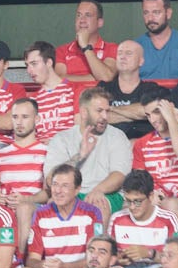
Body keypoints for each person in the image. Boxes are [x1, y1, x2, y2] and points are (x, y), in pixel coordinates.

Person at [16, 165, 104, 268]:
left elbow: (95, 259)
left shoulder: (91, 213)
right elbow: (31, 260)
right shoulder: (41, 214)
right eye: (55, 185)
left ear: (77, 190)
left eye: (65, 186)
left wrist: (64, 267)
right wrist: (43, 265)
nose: (58, 191)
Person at [42, 86, 127, 223]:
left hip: (108, 193)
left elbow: (119, 175)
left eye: (107, 111)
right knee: (54, 204)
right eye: (99, 111)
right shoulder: (61, 139)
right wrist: (80, 155)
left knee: (98, 204)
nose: (105, 117)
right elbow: (50, 180)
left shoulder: (117, 136)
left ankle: (100, 238)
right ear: (84, 112)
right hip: (72, 193)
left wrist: (98, 190)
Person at [132, 92, 178, 222]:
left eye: (157, 112)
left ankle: (176, 237)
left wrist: (171, 119)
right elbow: (139, 180)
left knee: (169, 204)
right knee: (130, 206)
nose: (153, 120)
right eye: (148, 115)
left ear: (169, 108)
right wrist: (150, 195)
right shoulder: (142, 144)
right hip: (154, 198)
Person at [0, 96, 50, 254]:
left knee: (23, 209)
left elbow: (49, 193)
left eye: (25, 117)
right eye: (15, 117)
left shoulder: (47, 153)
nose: (19, 122)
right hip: (6, 208)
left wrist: (26, 199)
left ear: (36, 119)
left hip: (34, 207)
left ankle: (21, 260)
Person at [110, 171, 178, 268]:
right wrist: (118, 260)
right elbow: (108, 257)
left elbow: (177, 259)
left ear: (151, 196)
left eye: (137, 201)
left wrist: (149, 254)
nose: (132, 207)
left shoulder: (168, 219)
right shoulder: (117, 219)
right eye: (128, 201)